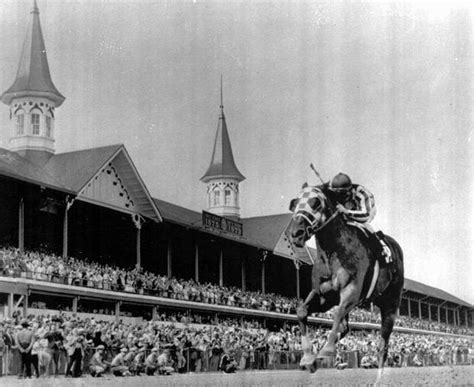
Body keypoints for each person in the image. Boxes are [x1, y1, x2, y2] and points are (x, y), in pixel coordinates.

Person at [329, 173, 391, 266]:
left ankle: (382, 249)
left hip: (365, 211)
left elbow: (365, 215)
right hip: (348, 207)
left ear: (349, 190)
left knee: (360, 225)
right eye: (336, 194)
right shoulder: (336, 192)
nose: (340, 197)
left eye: (342, 194)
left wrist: (346, 211)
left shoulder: (363, 194)